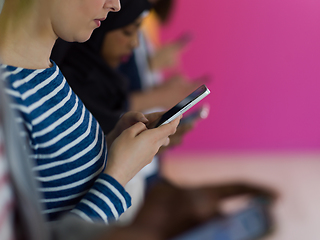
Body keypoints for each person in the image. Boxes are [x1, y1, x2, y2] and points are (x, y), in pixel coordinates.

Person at [0, 0, 181, 223]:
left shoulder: (44, 70)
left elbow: (56, 178)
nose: (116, 5)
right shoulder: (7, 99)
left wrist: (110, 144)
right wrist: (119, 175)